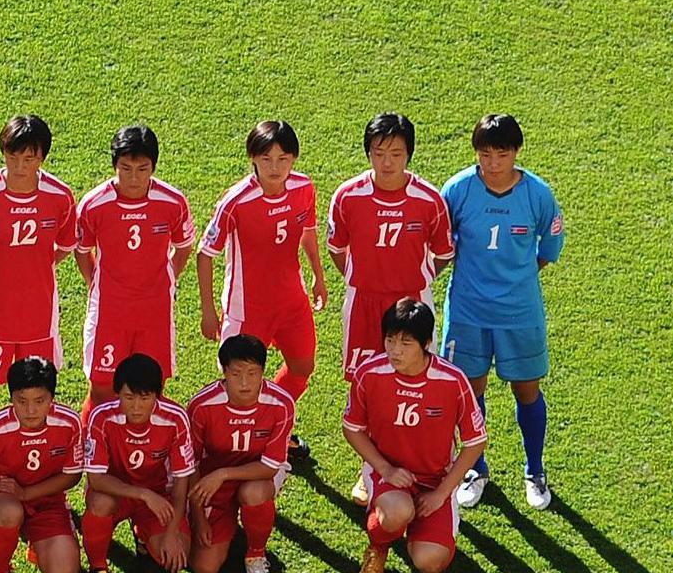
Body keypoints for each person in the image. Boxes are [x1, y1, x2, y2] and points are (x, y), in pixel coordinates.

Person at [0, 114, 79, 537]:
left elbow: (62, 248)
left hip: (39, 321)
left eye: (30, 157)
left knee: (37, 398)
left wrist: (28, 276)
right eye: (13, 156)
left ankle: (39, 482)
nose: (21, 166)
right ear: (2, 153)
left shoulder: (60, 197)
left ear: (42, 157)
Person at [439, 113, 565, 509]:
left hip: (519, 313)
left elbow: (549, 248)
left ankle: (534, 469)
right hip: (467, 312)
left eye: (502, 154)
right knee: (468, 392)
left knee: (526, 390)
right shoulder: (457, 190)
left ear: (516, 153)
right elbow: (440, 243)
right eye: (485, 154)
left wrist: (515, 280)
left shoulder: (537, 195)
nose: (493, 163)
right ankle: (477, 468)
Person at [326, 112, 453, 501]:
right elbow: (337, 249)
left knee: (419, 379)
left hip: (413, 304)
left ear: (409, 155)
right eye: (379, 152)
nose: (387, 162)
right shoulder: (348, 196)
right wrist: (363, 277)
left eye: (396, 153)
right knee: (367, 383)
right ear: (368, 153)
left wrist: (417, 279)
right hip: (363, 301)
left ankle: (424, 463)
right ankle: (370, 472)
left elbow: (444, 253)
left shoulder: (429, 200)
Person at [341, 299, 487, 573]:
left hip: (435, 481)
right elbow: (352, 428)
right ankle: (378, 547)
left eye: (406, 343)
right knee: (396, 512)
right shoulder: (369, 373)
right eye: (390, 340)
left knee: (430, 562)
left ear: (427, 343)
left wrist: (441, 494)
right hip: (389, 474)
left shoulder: (452, 380)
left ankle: (417, 529)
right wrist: (385, 469)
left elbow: (475, 442)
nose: (395, 350)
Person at [198, 119, 325, 449]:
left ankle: (271, 422)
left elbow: (308, 234)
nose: (275, 167)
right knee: (239, 380)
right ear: (252, 158)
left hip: (291, 301)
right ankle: (226, 443)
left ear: (293, 159)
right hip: (247, 308)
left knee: (302, 365)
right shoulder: (235, 201)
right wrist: (209, 310)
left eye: (283, 159)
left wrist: (318, 277)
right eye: (266, 159)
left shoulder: (303, 188)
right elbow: (205, 253)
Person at [74, 125, 195, 407]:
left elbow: (184, 245)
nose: (133, 178)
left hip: (155, 312)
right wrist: (98, 282)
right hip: (109, 312)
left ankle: (146, 450)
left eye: (142, 169)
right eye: (126, 168)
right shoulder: (94, 205)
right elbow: (82, 250)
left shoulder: (173, 202)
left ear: (153, 166)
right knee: (102, 389)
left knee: (151, 389)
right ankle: (91, 449)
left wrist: (168, 278)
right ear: (114, 165)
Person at [0, 356, 85, 573]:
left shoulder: (70, 423)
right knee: (10, 512)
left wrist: (27, 493)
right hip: (4, 499)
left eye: (39, 401)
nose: (31, 410)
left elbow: (73, 475)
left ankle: (37, 541)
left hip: (48, 501)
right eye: (22, 402)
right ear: (11, 398)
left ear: (52, 398)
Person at [183, 334, 296, 573]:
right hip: (211, 482)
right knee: (205, 567)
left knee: (253, 492)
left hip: (255, 475)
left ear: (264, 372)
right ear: (223, 372)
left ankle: (255, 554)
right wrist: (199, 517)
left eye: (253, 373)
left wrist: (223, 474)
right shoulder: (203, 406)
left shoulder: (281, 404)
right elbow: (190, 463)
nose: (245, 383)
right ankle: (227, 521)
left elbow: (270, 465)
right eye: (236, 374)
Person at [79, 353, 197, 573]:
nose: (136, 406)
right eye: (128, 397)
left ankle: (143, 532)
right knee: (99, 504)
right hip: (116, 493)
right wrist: (142, 494)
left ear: (157, 395)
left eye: (144, 398)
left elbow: (181, 479)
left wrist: (172, 533)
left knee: (176, 558)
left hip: (159, 498)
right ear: (117, 393)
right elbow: (96, 479)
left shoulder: (175, 419)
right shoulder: (101, 417)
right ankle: (98, 568)